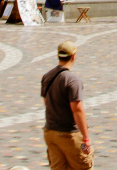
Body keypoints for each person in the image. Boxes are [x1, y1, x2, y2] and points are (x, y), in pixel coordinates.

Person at [41, 41, 93, 170]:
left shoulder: (47, 76)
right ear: (74, 56)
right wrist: (86, 138)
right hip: (68, 135)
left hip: (50, 132)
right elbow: (77, 110)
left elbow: (46, 102)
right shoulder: (72, 80)